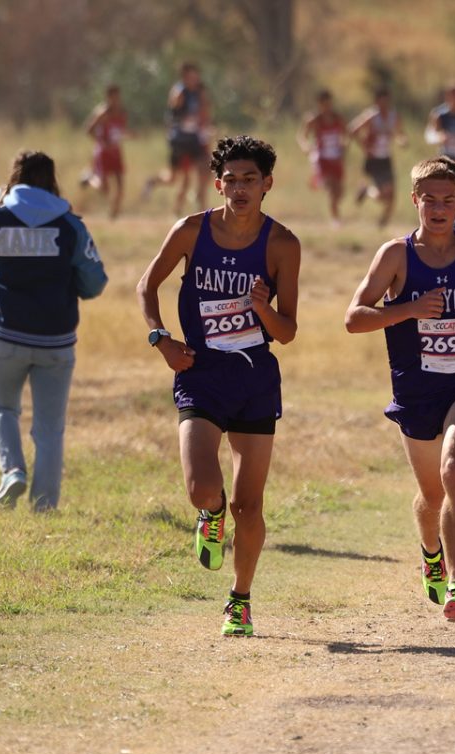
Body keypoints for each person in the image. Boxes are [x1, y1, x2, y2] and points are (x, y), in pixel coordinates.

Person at [136, 136, 300, 637]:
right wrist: (161, 338)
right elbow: (147, 285)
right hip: (200, 372)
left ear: (267, 184)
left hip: (254, 377)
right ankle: (210, 516)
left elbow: (288, 331)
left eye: (251, 179)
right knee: (201, 487)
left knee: (249, 505)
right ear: (218, 184)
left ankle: (240, 600)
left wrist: (262, 308)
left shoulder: (282, 244)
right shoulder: (191, 230)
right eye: (231, 179)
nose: (240, 188)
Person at [346, 157, 455, 623]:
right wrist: (408, 309)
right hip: (415, 391)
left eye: (448, 200)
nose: (439, 209)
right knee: (430, 495)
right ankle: (431, 552)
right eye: (430, 200)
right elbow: (354, 317)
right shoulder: (395, 256)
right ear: (414, 200)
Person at [0, 150, 108, 511]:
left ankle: (12, 470)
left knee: (2, 408)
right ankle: (44, 505)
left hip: (6, 337)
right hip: (56, 342)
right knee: (49, 428)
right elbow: (94, 283)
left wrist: (0, 192)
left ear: (15, 179)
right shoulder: (70, 225)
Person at [142, 63, 213, 215]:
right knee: (175, 179)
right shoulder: (179, 92)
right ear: (184, 77)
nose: (194, 79)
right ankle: (155, 185)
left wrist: (206, 127)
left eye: (196, 76)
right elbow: (173, 114)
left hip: (194, 139)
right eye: (191, 76)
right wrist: (183, 119)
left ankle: (201, 206)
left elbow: (204, 112)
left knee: (207, 168)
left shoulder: (199, 91)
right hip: (180, 140)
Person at [349, 88, 407, 228]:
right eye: (382, 101)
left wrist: (401, 140)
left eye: (387, 101)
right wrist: (365, 146)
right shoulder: (371, 116)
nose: (384, 104)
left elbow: (400, 133)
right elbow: (352, 129)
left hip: (386, 158)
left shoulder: (394, 116)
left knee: (392, 196)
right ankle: (369, 191)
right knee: (383, 195)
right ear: (376, 101)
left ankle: (383, 223)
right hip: (374, 160)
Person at [297, 89, 346, 225]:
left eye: (328, 103)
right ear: (319, 104)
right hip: (322, 158)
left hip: (336, 158)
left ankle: (317, 182)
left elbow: (345, 135)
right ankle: (336, 221)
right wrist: (305, 146)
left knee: (340, 192)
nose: (327, 107)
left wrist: (344, 147)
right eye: (324, 104)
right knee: (331, 190)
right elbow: (302, 136)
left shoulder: (338, 118)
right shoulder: (314, 119)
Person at [82, 84, 127, 219]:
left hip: (116, 152)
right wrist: (102, 142)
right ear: (108, 97)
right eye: (113, 97)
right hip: (103, 152)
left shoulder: (122, 112)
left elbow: (119, 131)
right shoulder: (103, 112)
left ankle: (113, 215)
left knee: (120, 185)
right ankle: (89, 178)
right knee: (104, 189)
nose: (116, 100)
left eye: (117, 97)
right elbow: (89, 130)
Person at [427, 84, 455, 160]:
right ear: (447, 97)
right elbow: (430, 136)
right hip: (446, 155)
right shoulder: (439, 115)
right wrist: (440, 137)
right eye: (453, 96)